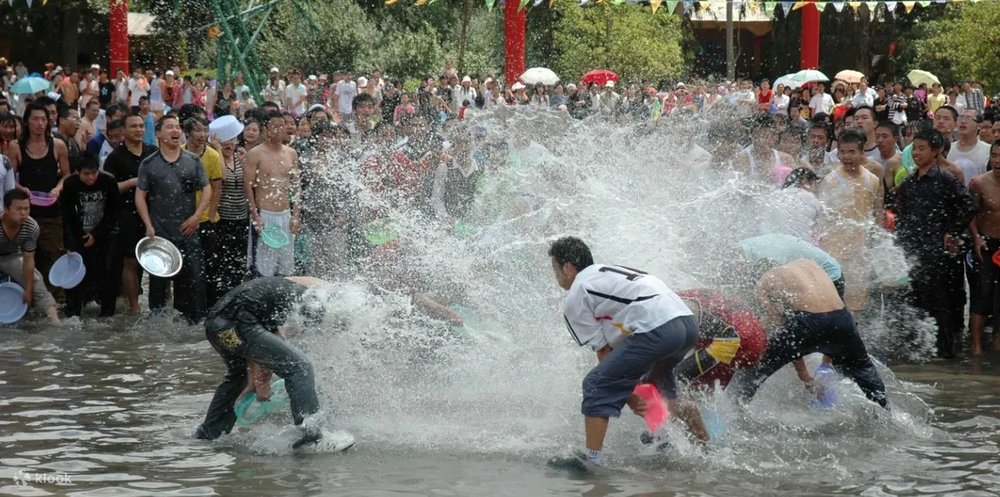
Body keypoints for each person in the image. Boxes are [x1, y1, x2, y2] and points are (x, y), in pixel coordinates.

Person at [549, 237, 708, 466]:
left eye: (555, 268)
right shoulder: (610, 272)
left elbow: (605, 353)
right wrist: (630, 390)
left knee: (596, 383)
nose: (555, 276)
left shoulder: (578, 291)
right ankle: (697, 445)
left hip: (659, 328)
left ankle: (591, 461)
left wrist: (629, 395)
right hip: (686, 324)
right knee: (657, 385)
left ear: (568, 266)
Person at [727, 259, 888, 409]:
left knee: (754, 369)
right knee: (862, 367)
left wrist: (804, 376)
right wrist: (826, 362)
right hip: (842, 319)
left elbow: (787, 333)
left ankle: (733, 413)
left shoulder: (764, 282)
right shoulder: (808, 264)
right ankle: (885, 412)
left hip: (807, 322)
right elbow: (829, 317)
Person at [194, 276, 332, 447]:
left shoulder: (280, 290)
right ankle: (312, 437)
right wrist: (262, 382)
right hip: (238, 323)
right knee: (299, 367)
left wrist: (255, 380)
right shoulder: (313, 297)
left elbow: (265, 345)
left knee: (239, 375)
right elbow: (265, 348)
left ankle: (209, 434)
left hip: (217, 327)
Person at [894, 129, 977, 358]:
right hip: (912, 250)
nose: (917, 153)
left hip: (936, 252)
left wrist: (951, 232)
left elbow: (969, 206)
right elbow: (901, 215)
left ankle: (945, 353)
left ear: (936, 151)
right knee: (914, 301)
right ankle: (919, 351)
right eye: (915, 148)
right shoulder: (909, 182)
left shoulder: (945, 178)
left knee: (940, 303)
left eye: (922, 149)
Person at [135, 114, 211, 323]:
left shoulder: (192, 161)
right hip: (160, 233)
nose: (176, 131)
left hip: (189, 231)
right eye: (170, 127)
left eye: (177, 127)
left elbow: (206, 189)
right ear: (158, 134)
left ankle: (194, 325)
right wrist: (148, 225)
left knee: (194, 281)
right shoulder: (149, 164)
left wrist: (197, 216)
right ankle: (157, 325)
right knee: (158, 285)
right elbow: (140, 195)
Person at [817, 128, 884, 312]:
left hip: (860, 251)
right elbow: (820, 216)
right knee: (833, 303)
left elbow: (878, 212)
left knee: (857, 304)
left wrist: (877, 242)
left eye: (852, 152)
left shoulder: (873, 180)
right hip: (834, 251)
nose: (846, 157)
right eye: (843, 152)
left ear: (862, 153)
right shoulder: (830, 180)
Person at [104, 113, 156, 314]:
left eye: (141, 126)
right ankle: (134, 306)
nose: (139, 130)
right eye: (133, 126)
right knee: (130, 260)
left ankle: (161, 303)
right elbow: (109, 189)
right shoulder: (115, 157)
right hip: (126, 213)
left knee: (156, 257)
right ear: (123, 131)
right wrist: (134, 182)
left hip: (153, 212)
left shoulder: (152, 152)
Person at [670, 288, 767, 391]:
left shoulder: (674, 307)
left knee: (680, 385)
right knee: (707, 391)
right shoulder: (675, 298)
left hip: (738, 339)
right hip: (754, 334)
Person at [60, 154, 119, 317]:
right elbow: (68, 215)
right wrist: (73, 241)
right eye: (86, 174)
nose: (91, 177)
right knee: (77, 275)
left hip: (106, 234)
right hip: (80, 234)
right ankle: (74, 313)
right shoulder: (70, 184)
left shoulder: (108, 181)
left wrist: (97, 234)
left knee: (107, 274)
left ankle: (107, 314)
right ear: (78, 172)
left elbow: (113, 212)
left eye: (94, 172)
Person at [244, 110, 301, 277]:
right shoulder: (255, 153)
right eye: (274, 127)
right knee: (263, 268)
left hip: (285, 214)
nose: (279, 130)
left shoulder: (291, 153)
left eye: (282, 126)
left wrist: (296, 215)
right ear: (265, 129)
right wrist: (255, 215)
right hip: (265, 215)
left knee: (286, 267)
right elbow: (247, 186)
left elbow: (296, 186)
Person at [0, 189, 59, 323]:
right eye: (19, 209)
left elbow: (29, 260)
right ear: (6, 209)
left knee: (36, 280)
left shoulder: (31, 227)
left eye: (27, 209)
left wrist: (28, 289)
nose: (23, 213)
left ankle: (55, 322)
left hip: (11, 255)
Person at [966, 141, 1000, 355]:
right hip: (986, 243)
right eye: (995, 155)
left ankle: (997, 340)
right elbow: (969, 214)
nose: (998, 161)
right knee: (982, 294)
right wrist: (977, 238)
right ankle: (976, 344)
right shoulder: (979, 183)